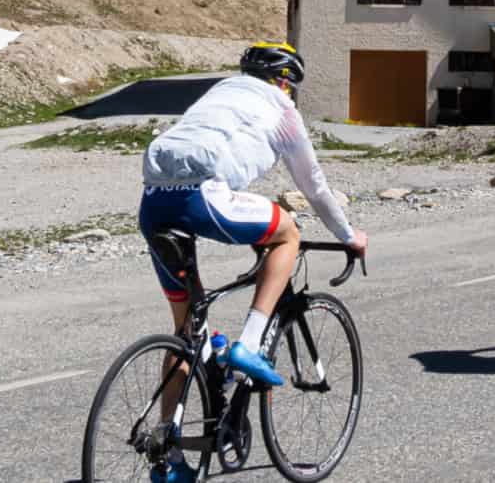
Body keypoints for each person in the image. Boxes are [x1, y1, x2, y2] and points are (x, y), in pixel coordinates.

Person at [139, 41, 368, 394]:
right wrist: (348, 235)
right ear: (284, 82)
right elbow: (315, 187)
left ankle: (167, 442)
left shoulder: (221, 91)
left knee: (187, 333)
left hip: (153, 202)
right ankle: (248, 343)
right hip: (205, 197)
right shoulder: (282, 109)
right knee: (287, 233)